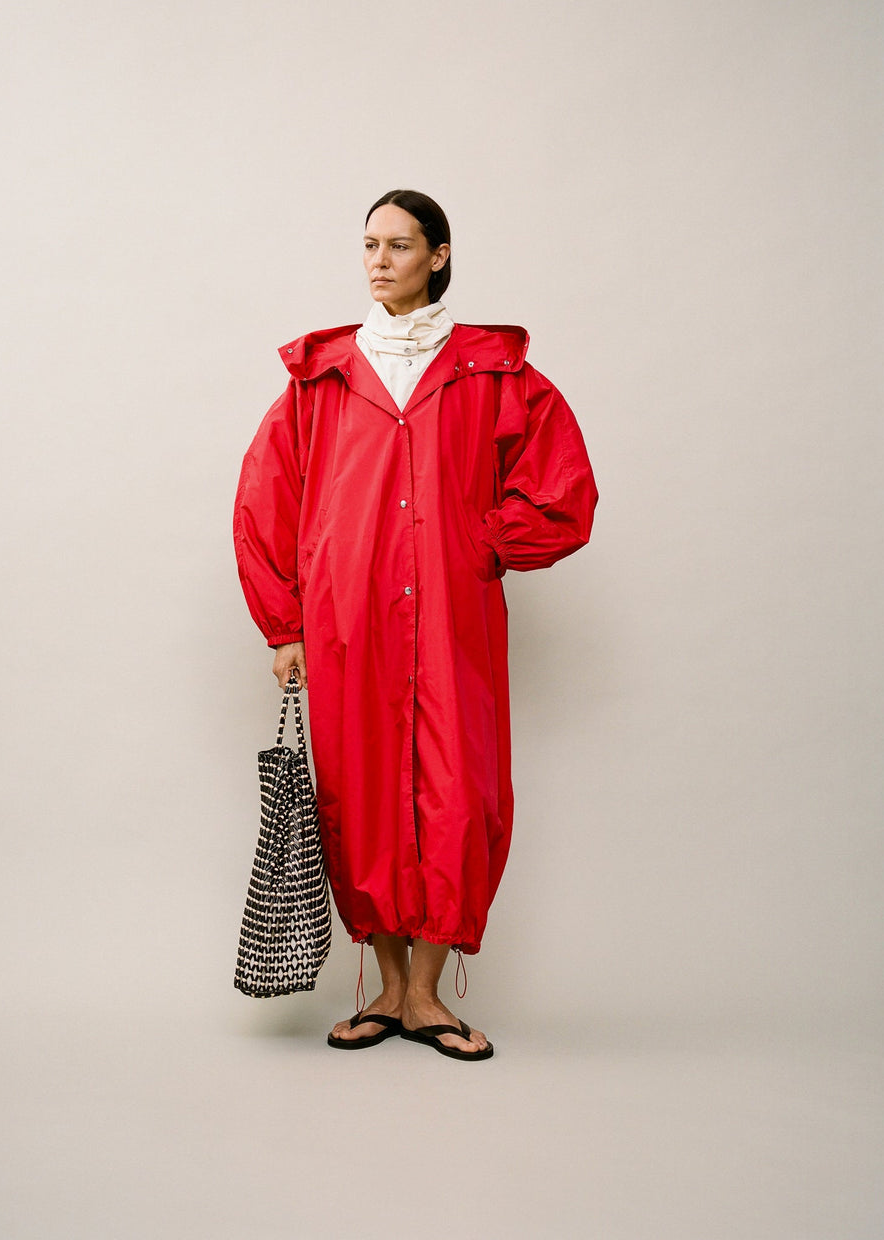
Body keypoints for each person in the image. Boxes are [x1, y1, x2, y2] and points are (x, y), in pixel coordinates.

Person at [234, 189, 597, 1060]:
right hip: (345, 619)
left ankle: (428, 996)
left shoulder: (493, 373)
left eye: (399, 245)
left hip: (452, 617)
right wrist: (284, 623)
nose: (379, 260)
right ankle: (390, 993)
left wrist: (483, 541)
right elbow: (266, 500)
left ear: (439, 255)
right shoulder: (322, 377)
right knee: (358, 793)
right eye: (369, 245)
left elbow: (561, 489)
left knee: (457, 793)